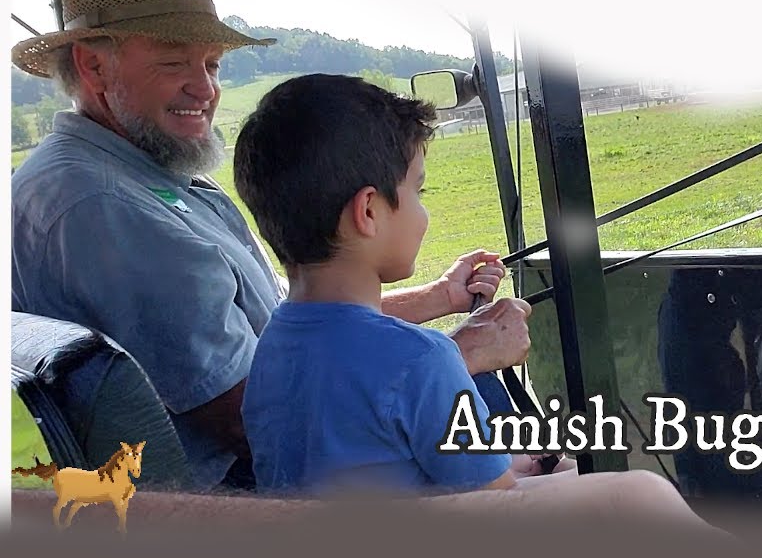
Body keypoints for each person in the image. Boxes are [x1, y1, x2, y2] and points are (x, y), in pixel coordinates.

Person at [9, 0, 530, 494]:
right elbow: (257, 418)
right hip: (244, 502)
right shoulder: (104, 206)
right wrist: (449, 360)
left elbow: (293, 322)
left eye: (211, 65)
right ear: (94, 67)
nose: (205, 89)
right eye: (174, 62)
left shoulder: (137, 173)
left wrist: (437, 300)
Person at [232, 72, 570, 496]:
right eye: (419, 190)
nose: (424, 213)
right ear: (369, 211)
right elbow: (503, 510)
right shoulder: (424, 360)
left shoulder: (272, 347)